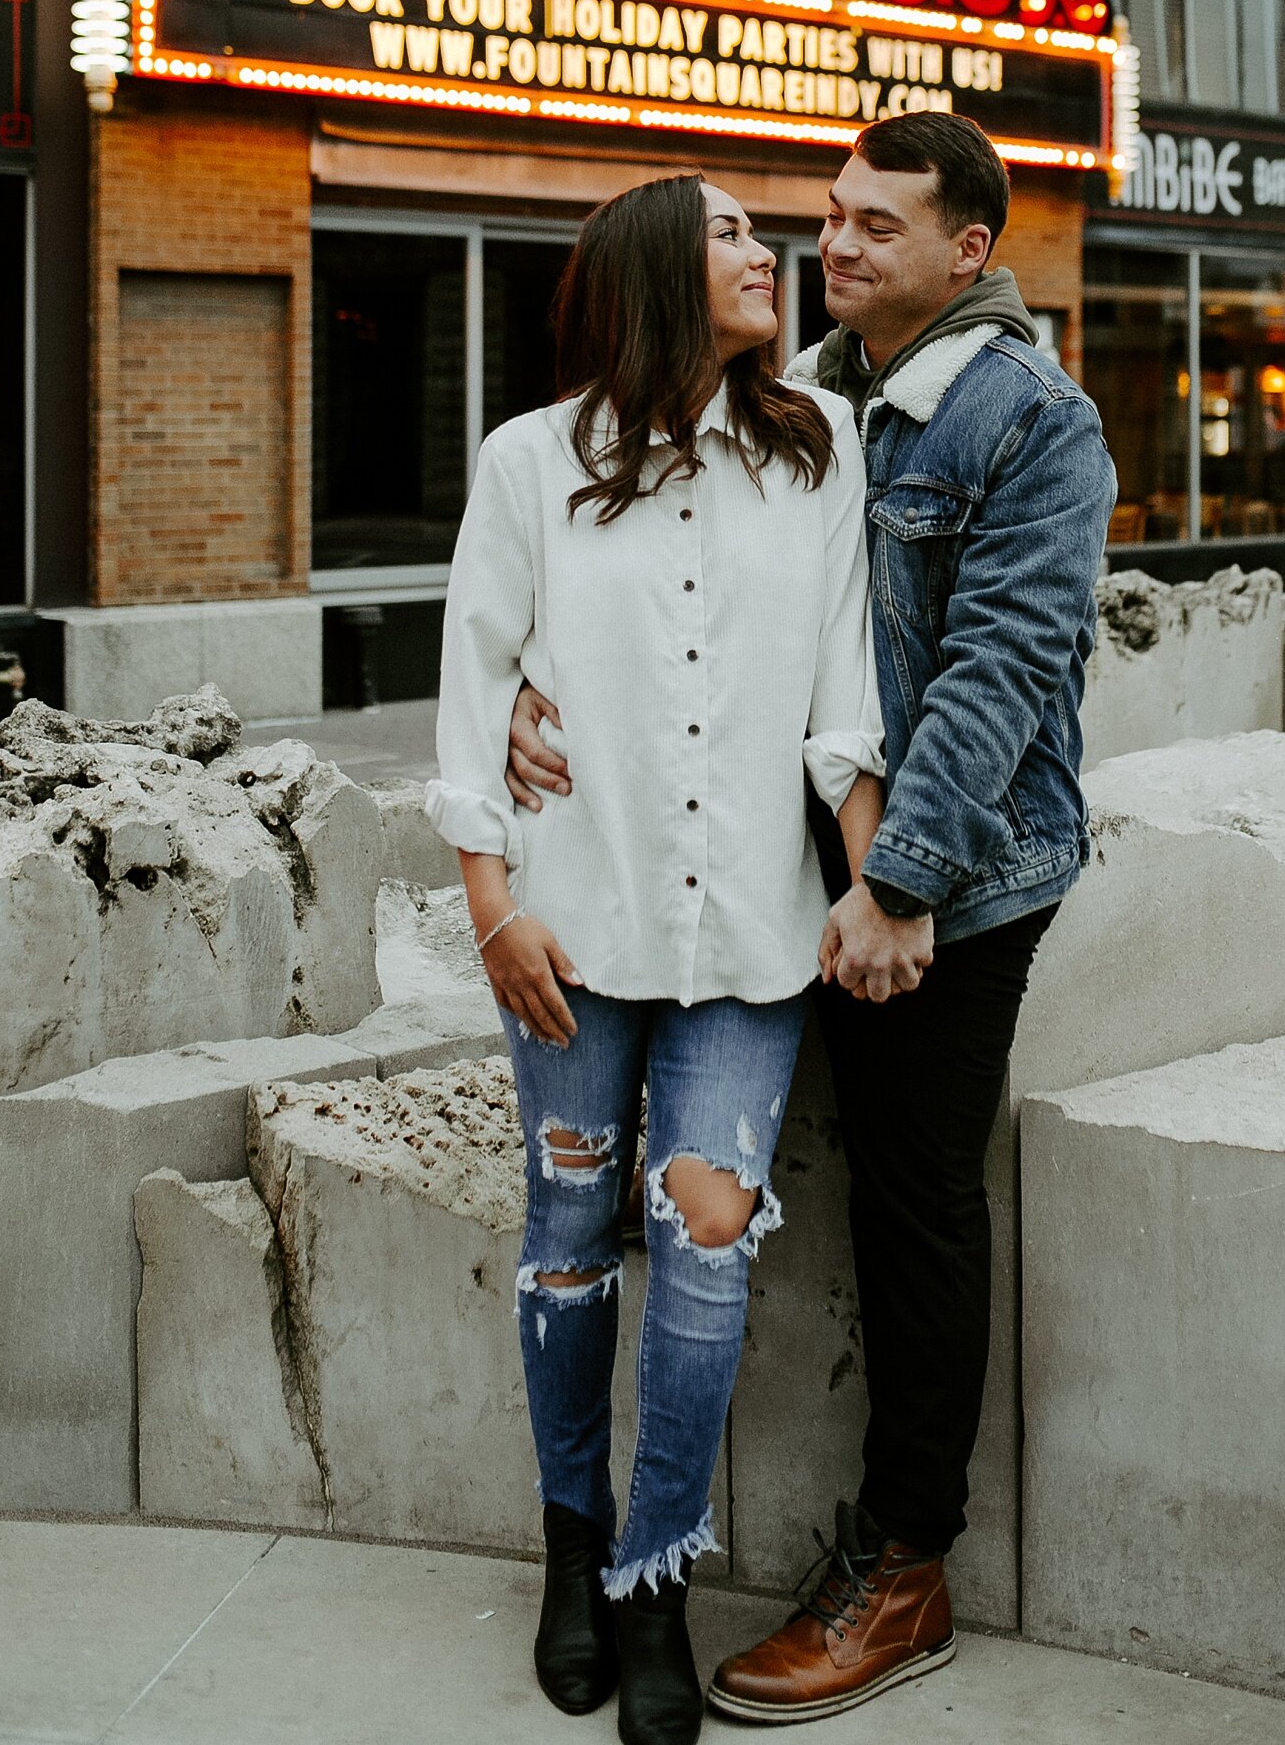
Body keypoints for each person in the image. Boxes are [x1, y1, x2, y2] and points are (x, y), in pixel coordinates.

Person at [508, 112, 1115, 1725]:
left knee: (916, 1203)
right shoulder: (817, 395)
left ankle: (903, 1563)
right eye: (827, 217)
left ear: (966, 252)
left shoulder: (1026, 419)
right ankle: (613, 1553)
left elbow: (990, 681)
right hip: (775, 902)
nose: (831, 246)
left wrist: (900, 881)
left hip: (947, 892)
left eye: (874, 227)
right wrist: (524, 693)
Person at [428, 173, 884, 1745]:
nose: (772, 255)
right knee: (566, 1238)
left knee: (703, 1251)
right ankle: (569, 1541)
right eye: (736, 236)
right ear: (648, 274)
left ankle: (651, 1579)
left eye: (773, 234)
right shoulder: (528, 463)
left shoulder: (814, 460)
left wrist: (881, 883)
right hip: (569, 924)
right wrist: (491, 903)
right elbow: (473, 680)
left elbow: (843, 699)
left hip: (751, 941)